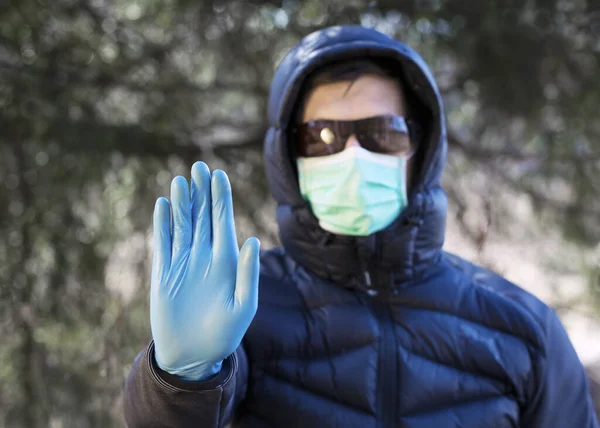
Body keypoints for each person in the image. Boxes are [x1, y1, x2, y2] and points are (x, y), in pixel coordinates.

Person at [123, 25, 599, 428]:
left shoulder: (523, 329)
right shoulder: (242, 307)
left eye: (382, 132)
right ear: (288, 156)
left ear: (422, 149)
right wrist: (182, 379)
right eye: (321, 136)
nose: (352, 155)